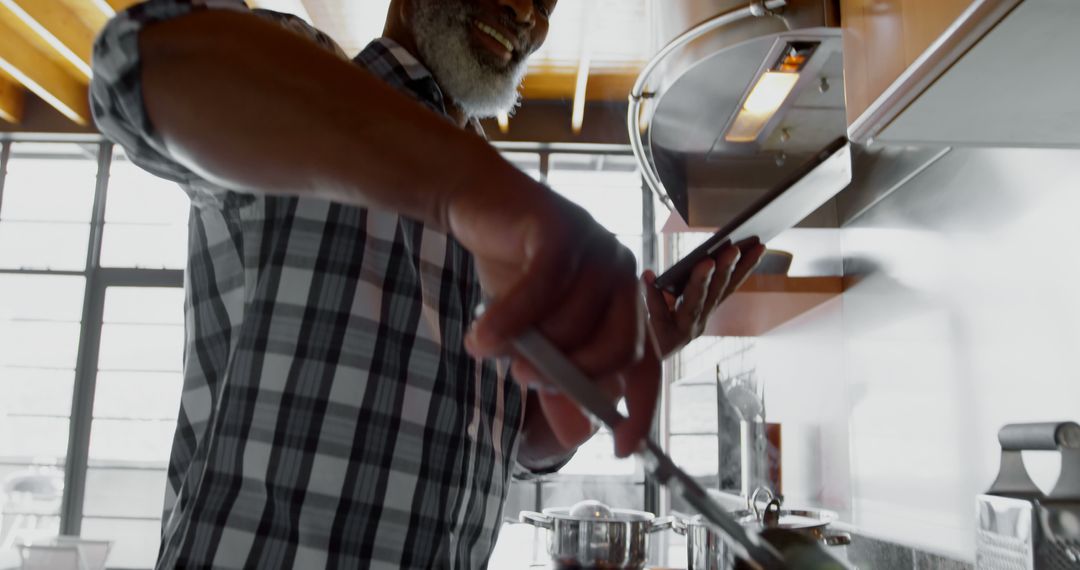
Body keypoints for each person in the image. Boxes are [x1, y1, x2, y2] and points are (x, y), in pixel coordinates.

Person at [90, 0, 764, 567]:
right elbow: (135, 64)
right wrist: (473, 187)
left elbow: (514, 451)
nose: (529, 12)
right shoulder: (305, 85)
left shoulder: (492, 212)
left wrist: (609, 369)